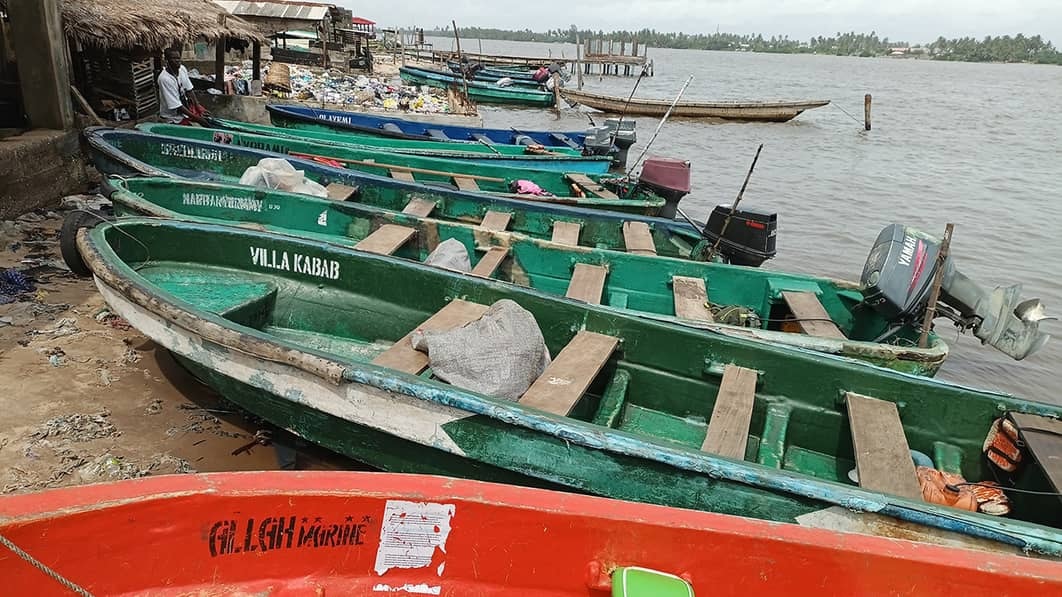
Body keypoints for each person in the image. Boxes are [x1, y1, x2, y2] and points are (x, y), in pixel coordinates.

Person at [157, 48, 209, 125]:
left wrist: (198, 106)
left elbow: (189, 90)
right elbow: (177, 106)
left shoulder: (182, 69)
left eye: (178, 58)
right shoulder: (164, 79)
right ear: (166, 60)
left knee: (208, 117)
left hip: (185, 111)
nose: (177, 60)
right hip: (172, 117)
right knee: (199, 127)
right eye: (174, 58)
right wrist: (197, 118)